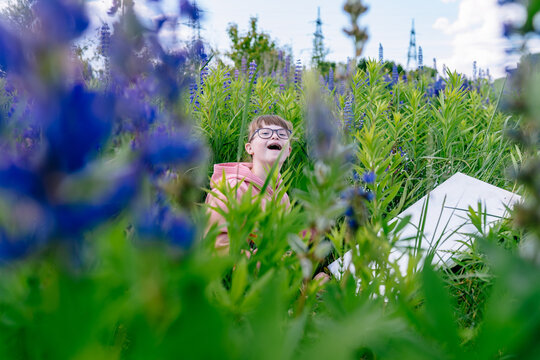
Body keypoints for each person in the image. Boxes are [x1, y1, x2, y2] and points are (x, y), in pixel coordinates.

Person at [205, 115, 293, 254]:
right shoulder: (231, 188)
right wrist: (264, 264)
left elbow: (284, 245)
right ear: (249, 148)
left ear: (288, 151)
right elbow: (216, 246)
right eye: (265, 133)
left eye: (282, 134)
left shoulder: (283, 197)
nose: (275, 137)